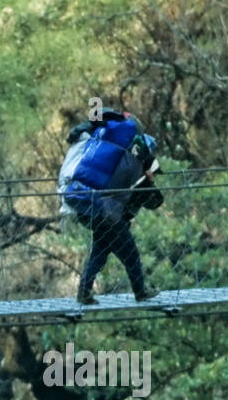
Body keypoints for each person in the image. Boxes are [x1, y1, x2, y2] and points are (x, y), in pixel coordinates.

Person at [59, 110, 163, 305]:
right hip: (108, 215)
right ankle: (140, 292)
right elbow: (156, 201)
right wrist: (149, 180)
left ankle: (84, 292)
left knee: (99, 254)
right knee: (130, 253)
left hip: (94, 207)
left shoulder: (120, 161)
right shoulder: (134, 168)